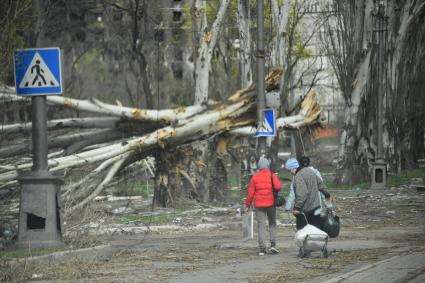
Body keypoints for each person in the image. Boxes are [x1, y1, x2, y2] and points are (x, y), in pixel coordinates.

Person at [245, 157, 282, 256]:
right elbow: (278, 187)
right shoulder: (272, 175)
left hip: (259, 204)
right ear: (267, 165)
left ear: (259, 166)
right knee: (272, 223)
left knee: (261, 225)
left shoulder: (255, 177)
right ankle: (273, 245)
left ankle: (262, 249)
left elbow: (250, 194)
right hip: (270, 203)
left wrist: (247, 205)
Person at [284, 158, 327, 230]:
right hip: (316, 206)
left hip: (305, 209)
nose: (290, 173)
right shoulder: (312, 172)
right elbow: (321, 185)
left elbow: (302, 194)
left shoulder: (298, 176)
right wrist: (327, 196)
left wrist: (296, 208)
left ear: (293, 168)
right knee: (315, 230)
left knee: (303, 232)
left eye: (289, 170)